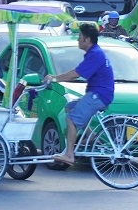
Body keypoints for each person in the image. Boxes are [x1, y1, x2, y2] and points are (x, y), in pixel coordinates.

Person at [44, 23, 114, 166]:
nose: (78, 40)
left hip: (99, 95)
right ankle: (91, 135)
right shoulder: (94, 52)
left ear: (87, 40)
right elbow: (76, 71)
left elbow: (75, 74)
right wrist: (56, 77)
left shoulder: (95, 54)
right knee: (70, 107)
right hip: (98, 93)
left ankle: (69, 155)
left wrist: (55, 78)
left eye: (80, 37)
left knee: (71, 119)